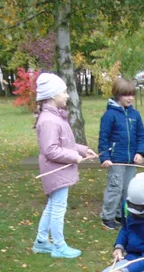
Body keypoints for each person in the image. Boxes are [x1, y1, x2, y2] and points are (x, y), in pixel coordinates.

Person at [33, 73, 97, 259]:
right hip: (55, 171)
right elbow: (51, 150)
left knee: (53, 205)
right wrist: (74, 157)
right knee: (58, 207)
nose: (67, 95)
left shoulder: (56, 117)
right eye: (64, 92)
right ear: (53, 95)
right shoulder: (48, 120)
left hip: (59, 170)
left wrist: (83, 150)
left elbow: (65, 144)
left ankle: (41, 241)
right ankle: (59, 246)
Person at [98, 77, 144, 230]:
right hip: (115, 160)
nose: (130, 98)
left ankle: (121, 214)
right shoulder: (109, 115)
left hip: (130, 160)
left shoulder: (135, 115)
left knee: (128, 189)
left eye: (132, 95)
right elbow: (103, 138)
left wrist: (140, 152)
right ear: (118, 95)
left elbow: (141, 135)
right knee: (115, 188)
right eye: (126, 95)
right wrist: (104, 157)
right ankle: (107, 217)